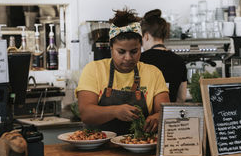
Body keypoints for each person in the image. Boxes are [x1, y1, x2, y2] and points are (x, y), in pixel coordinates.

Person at [76, 7, 170, 135]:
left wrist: (158, 117)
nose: (128, 58)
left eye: (134, 51)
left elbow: (165, 112)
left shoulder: (153, 73)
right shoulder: (94, 70)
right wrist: (115, 111)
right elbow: (86, 113)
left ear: (141, 47)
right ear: (111, 48)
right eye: (121, 52)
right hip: (99, 148)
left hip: (140, 145)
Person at [140, 9, 187, 102]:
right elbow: (182, 98)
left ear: (146, 36)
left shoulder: (140, 60)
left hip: (147, 115)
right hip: (170, 114)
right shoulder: (179, 60)